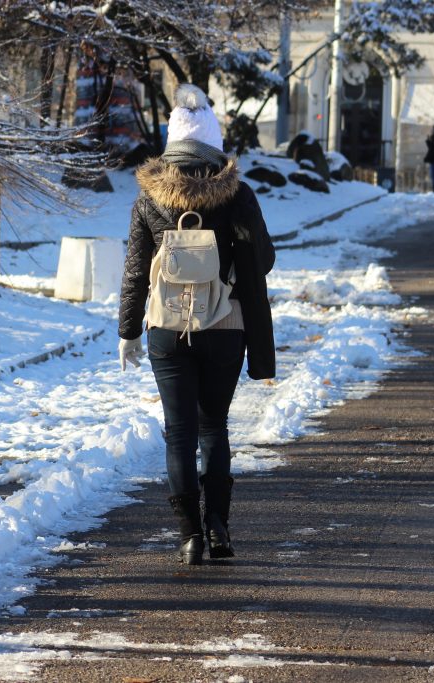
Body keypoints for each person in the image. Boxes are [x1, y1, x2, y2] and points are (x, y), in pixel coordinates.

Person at [117, 83, 275, 566]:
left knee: (179, 432)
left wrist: (128, 331)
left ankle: (189, 535)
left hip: (166, 328)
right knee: (214, 429)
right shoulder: (237, 193)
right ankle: (219, 526)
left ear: (172, 140)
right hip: (226, 326)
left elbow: (135, 267)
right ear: (213, 141)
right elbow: (263, 260)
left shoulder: (150, 196)